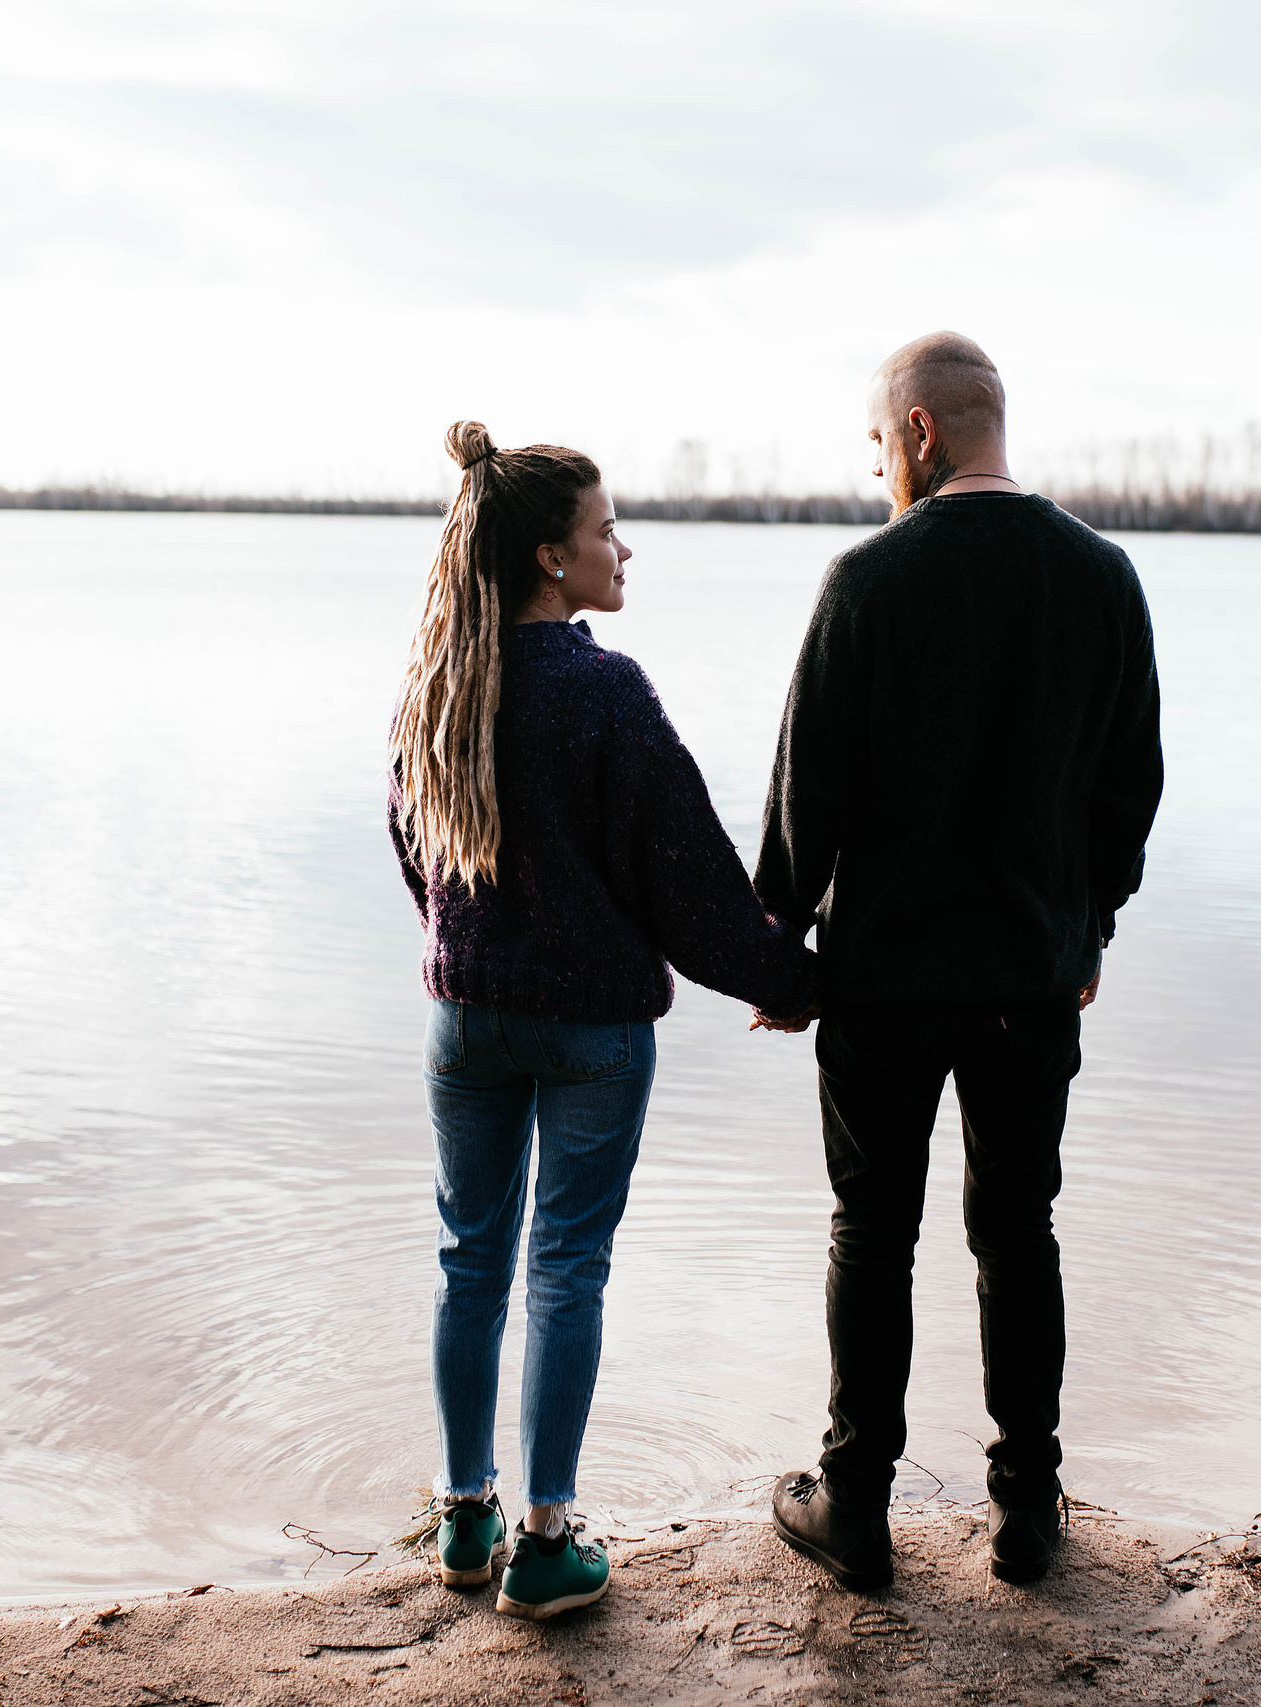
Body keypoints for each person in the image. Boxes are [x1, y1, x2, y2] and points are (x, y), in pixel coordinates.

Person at [753, 333, 1164, 1589]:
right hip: (1031, 984)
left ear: (921, 434)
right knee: (1017, 1230)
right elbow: (1129, 785)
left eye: (881, 443)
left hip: (881, 983)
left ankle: (858, 1509)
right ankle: (1027, 1512)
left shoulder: (869, 579)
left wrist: (778, 945)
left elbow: (803, 795)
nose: (879, 466)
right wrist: (1090, 923)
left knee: (872, 1233)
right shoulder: (1102, 577)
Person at [389, 420, 817, 1620]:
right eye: (605, 530)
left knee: (468, 1260)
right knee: (562, 1270)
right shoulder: (603, 692)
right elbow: (685, 879)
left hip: (464, 1018)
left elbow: (412, 850)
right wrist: (786, 982)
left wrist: (465, 942)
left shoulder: (438, 685)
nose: (624, 550)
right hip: (589, 1034)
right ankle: (546, 1541)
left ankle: (463, 1521)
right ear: (546, 558)